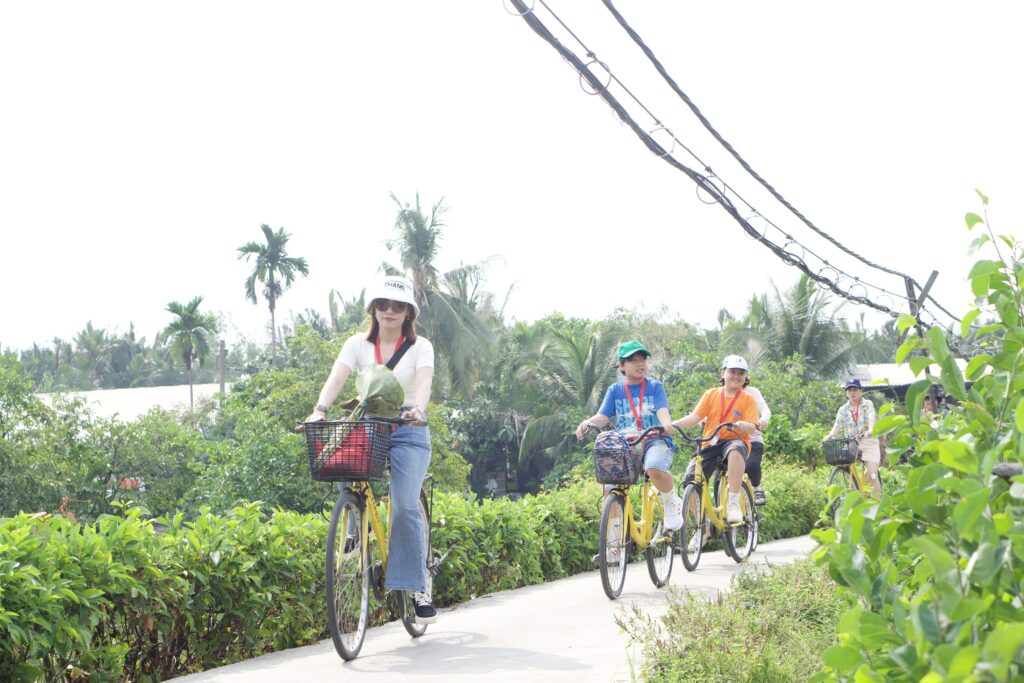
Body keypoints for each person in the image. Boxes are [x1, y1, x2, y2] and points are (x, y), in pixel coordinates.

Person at [306, 275, 438, 623]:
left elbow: (423, 384)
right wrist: (320, 409)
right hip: (370, 423)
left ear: (408, 311)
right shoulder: (357, 344)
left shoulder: (421, 346)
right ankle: (353, 525)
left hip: (409, 427)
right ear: (373, 309)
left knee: (406, 506)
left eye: (397, 306)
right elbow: (337, 378)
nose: (389, 311)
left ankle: (418, 586)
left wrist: (418, 410)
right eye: (383, 304)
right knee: (341, 453)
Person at [575, 341, 684, 560]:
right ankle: (615, 546)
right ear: (622, 366)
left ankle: (671, 501)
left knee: (653, 467)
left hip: (654, 439)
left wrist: (667, 424)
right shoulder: (615, 390)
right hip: (626, 446)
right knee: (610, 488)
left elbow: (663, 410)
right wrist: (587, 422)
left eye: (642, 359)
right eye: (633, 360)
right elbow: (603, 416)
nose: (640, 363)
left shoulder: (654, 387)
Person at [672, 355, 760, 525]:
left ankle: (733, 501)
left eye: (741, 373)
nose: (736, 376)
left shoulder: (747, 399)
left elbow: (752, 426)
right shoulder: (711, 394)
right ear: (723, 373)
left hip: (735, 440)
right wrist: (674, 425)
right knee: (689, 480)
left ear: (745, 377)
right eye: (732, 371)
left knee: (735, 450)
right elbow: (695, 417)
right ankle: (702, 523)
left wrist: (743, 425)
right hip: (710, 441)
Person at [823, 378, 881, 496]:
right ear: (846, 393)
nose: (852, 393)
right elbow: (837, 425)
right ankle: (854, 488)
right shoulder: (843, 409)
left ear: (861, 390)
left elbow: (871, 417)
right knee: (843, 464)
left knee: (872, 476)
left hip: (868, 442)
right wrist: (830, 435)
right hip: (852, 443)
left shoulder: (867, 404)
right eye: (849, 390)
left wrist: (870, 430)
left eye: (855, 390)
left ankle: (879, 505)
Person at [743, 385, 771, 506]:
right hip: (729, 438)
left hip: (752, 438)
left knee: (751, 464)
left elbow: (765, 409)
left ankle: (756, 486)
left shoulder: (752, 392)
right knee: (719, 475)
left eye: (740, 373)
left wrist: (763, 419)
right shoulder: (720, 393)